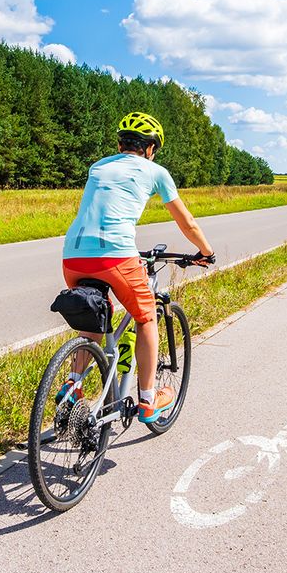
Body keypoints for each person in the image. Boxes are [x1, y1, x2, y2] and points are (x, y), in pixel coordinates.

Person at [59, 112, 215, 424]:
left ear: (120, 144)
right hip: (115, 254)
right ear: (151, 148)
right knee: (145, 317)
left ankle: (72, 386)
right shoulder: (156, 172)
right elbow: (187, 222)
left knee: (93, 320)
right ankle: (147, 399)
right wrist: (206, 252)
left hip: (73, 255)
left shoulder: (98, 166)